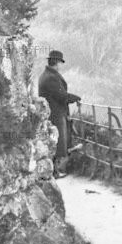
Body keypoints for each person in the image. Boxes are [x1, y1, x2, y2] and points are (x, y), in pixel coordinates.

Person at [38, 50, 81, 178]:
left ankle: (55, 170)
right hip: (56, 113)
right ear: (56, 63)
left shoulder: (45, 75)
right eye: (60, 63)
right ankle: (55, 171)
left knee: (55, 141)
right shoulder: (51, 77)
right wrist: (75, 98)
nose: (60, 66)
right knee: (57, 142)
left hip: (52, 112)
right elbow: (61, 95)